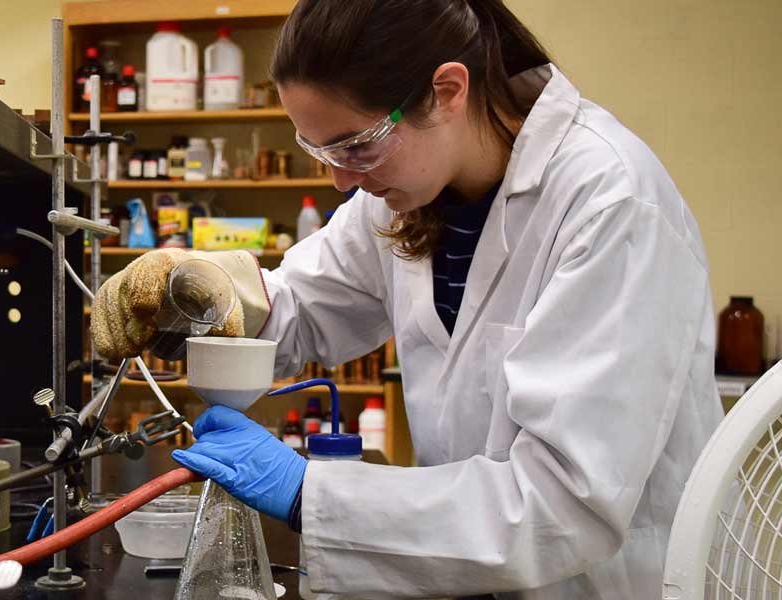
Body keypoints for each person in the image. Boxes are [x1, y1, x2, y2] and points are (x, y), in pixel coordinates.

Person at [90, 0, 724, 597]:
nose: (341, 178)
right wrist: (200, 294)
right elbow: (303, 307)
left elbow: (562, 502)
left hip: (605, 584)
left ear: (447, 91)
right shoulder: (405, 192)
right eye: (320, 148)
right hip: (466, 576)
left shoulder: (611, 204)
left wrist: (308, 493)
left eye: (355, 144)